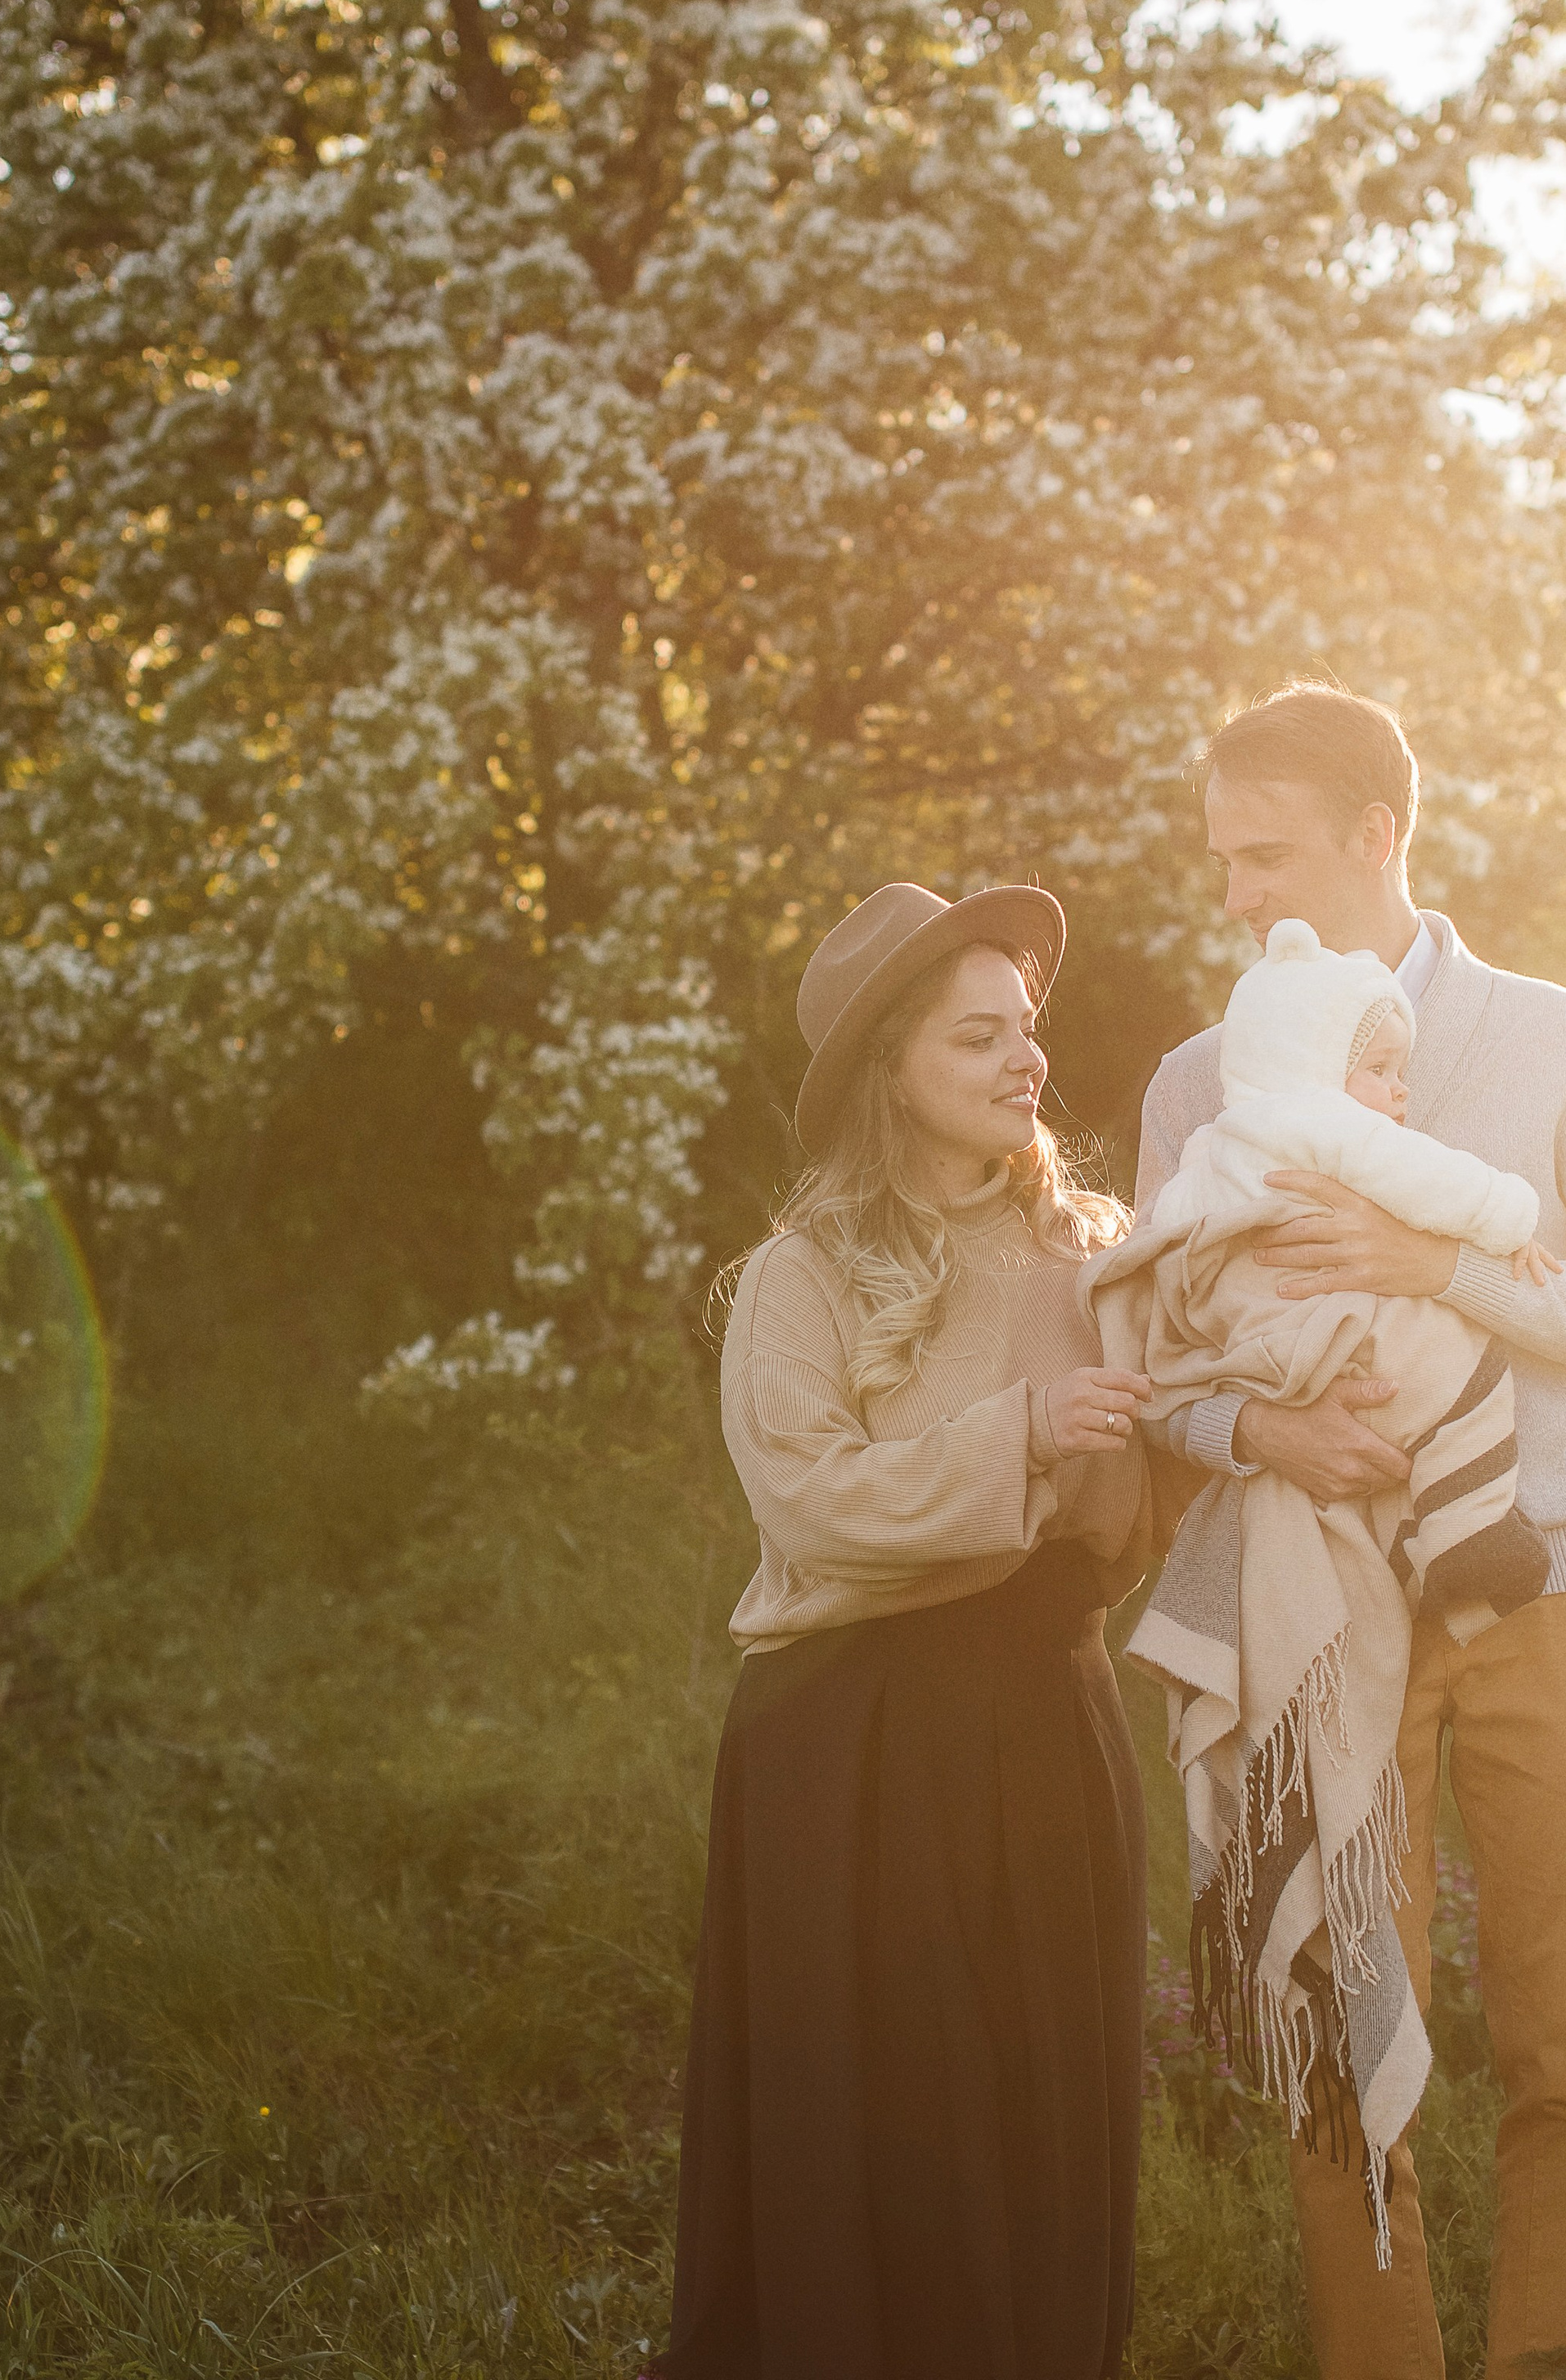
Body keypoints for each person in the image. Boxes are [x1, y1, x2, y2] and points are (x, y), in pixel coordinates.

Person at [1136, 683, 1566, 2380]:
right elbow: (1153, 1371)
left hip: (1551, 1589)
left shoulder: (1555, 1036)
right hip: (1316, 1615)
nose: (1236, 895)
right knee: (1337, 2042)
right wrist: (1255, 1427)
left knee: (1560, 2049)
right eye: (1221, 861)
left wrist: (1439, 1271)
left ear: (1376, 835)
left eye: (1267, 855)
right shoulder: (1196, 1081)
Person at [665, 878, 1154, 2380]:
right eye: (977, 1035)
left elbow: (1136, 1522)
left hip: (1049, 1719)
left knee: (1038, 2095)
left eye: (1029, 1029)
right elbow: (813, 1506)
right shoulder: (799, 1284)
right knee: (881, 2123)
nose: (1028, 1063)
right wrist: (1022, 1437)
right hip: (854, 1747)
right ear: (891, 1069)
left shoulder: (1098, 1255)